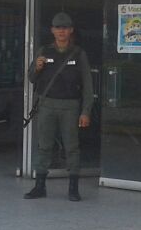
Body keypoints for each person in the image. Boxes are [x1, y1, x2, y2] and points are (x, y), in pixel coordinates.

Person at [25, 12, 93, 201]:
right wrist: (36, 68)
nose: (61, 31)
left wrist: (86, 111)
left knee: (71, 147)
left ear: (71, 30)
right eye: (58, 28)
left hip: (70, 106)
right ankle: (39, 186)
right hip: (47, 105)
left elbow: (88, 85)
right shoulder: (44, 51)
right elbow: (31, 78)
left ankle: (73, 188)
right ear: (52, 30)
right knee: (44, 146)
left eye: (65, 28)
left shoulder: (79, 54)